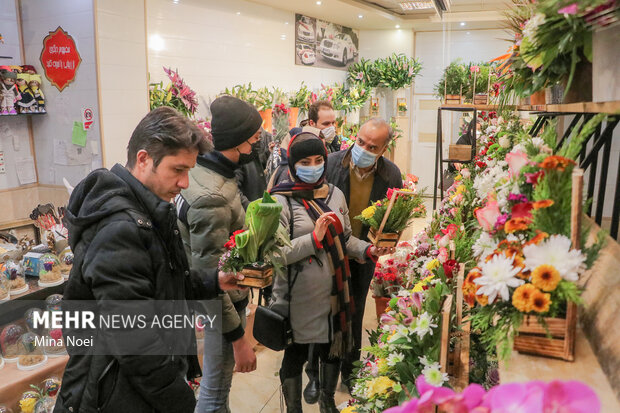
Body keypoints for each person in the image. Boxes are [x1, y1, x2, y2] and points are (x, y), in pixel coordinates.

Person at [55, 107, 244, 413]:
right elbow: (135, 343)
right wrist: (180, 401)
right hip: (116, 392)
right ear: (143, 159)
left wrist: (213, 280)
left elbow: (160, 282)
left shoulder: (147, 211)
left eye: (189, 172)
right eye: (178, 170)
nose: (184, 183)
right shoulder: (121, 228)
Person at [270, 131, 386, 413]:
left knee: (331, 350)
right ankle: (294, 408)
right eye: (305, 162)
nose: (313, 167)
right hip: (297, 295)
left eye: (318, 160)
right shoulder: (280, 201)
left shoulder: (335, 194)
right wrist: (314, 239)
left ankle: (327, 402)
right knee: (295, 354)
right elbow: (275, 253)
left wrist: (367, 251)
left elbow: (345, 238)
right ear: (293, 165)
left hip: (334, 291)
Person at [175, 95, 261, 413]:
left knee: (216, 390)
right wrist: (239, 338)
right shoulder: (211, 195)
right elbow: (213, 277)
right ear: (237, 142)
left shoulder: (203, 171)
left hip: (214, 299)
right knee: (214, 390)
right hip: (221, 308)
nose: (255, 148)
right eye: (252, 140)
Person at [325, 117, 403, 392]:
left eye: (372, 146)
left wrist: (386, 243)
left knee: (354, 312)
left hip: (363, 255)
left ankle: (350, 370)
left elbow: (395, 220)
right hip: (329, 253)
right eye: (360, 142)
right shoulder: (331, 163)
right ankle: (319, 373)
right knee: (324, 312)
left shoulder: (391, 175)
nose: (363, 149)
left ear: (383, 150)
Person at [267, 100, 340, 192]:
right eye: (326, 124)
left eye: (333, 123)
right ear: (312, 123)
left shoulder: (332, 143)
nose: (331, 128)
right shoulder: (296, 144)